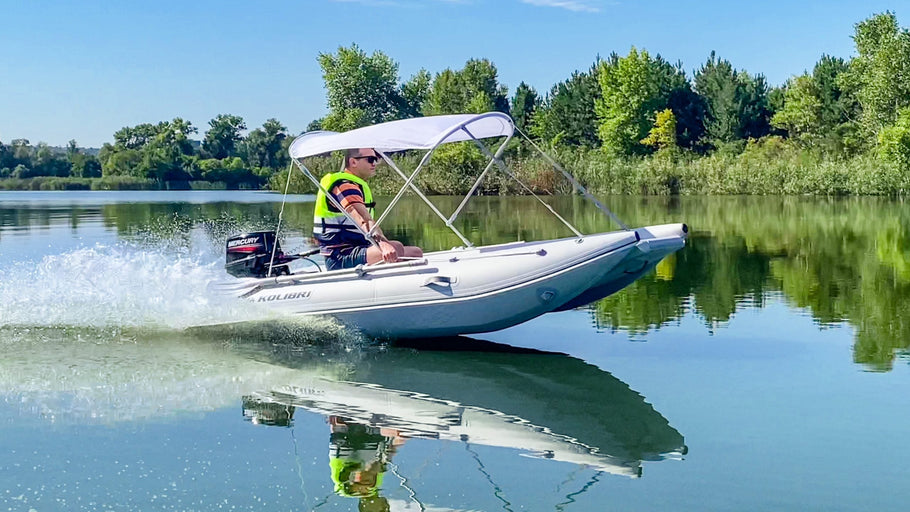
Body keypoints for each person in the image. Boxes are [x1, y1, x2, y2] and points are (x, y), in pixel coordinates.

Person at [313, 148, 423, 271]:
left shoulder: (354, 184)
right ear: (353, 162)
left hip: (358, 248)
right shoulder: (344, 186)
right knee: (396, 248)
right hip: (339, 257)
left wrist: (385, 244)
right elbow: (362, 219)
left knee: (415, 252)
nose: (374, 163)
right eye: (370, 159)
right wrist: (383, 244)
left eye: (376, 159)